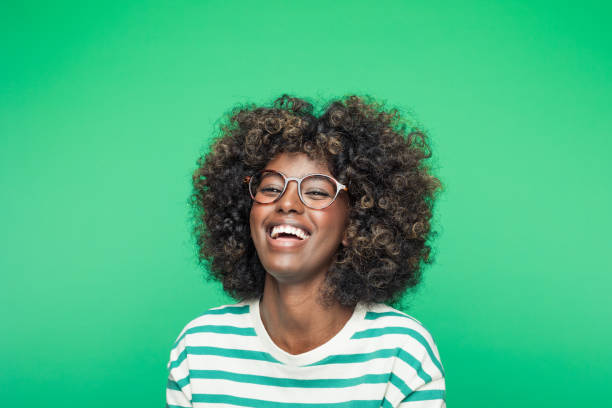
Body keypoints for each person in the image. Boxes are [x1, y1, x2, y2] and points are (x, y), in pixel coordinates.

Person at [166, 95, 446, 407]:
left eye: (315, 191)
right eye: (271, 188)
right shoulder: (200, 348)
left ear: (356, 223)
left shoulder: (401, 353)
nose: (287, 203)